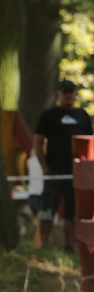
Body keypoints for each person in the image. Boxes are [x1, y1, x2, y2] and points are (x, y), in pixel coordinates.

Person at [34, 79, 93, 251]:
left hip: (76, 175)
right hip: (54, 173)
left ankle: (69, 246)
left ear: (75, 95)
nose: (68, 95)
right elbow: (37, 143)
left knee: (72, 213)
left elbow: (90, 143)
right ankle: (43, 245)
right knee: (47, 211)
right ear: (58, 95)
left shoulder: (83, 116)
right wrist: (45, 169)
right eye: (65, 92)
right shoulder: (48, 115)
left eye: (71, 92)